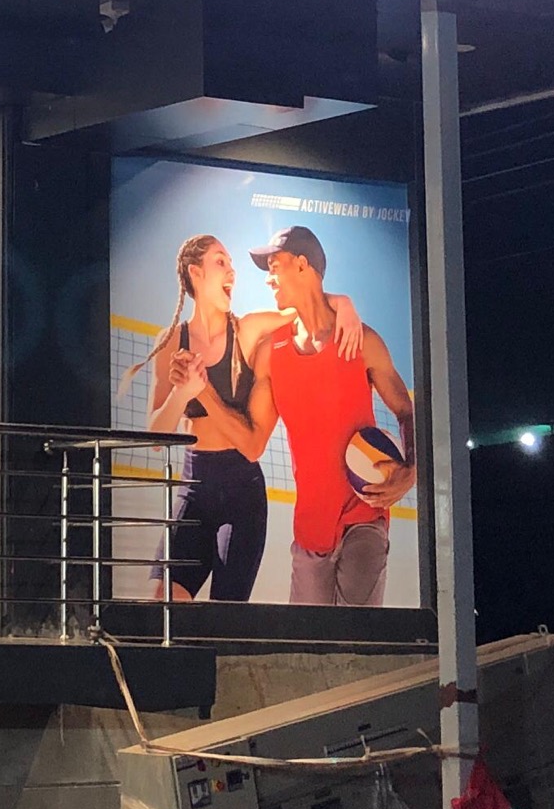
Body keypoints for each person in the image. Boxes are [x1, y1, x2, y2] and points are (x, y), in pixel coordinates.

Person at [143, 235, 362, 600]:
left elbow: (306, 307)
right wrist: (184, 391)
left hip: (242, 492)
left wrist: (347, 304)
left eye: (232, 264)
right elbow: (154, 439)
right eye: (221, 262)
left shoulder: (248, 330)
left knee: (226, 614)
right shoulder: (171, 342)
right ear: (195, 273)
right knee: (160, 601)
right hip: (194, 486)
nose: (232, 271)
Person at [241, 224, 421, 607]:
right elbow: (254, 442)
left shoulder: (362, 341)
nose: (269, 278)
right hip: (311, 529)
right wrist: (201, 394)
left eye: (275, 266)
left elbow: (407, 410)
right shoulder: (271, 352)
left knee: (357, 637)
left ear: (302, 265)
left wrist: (413, 470)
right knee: (309, 641)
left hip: (365, 515)